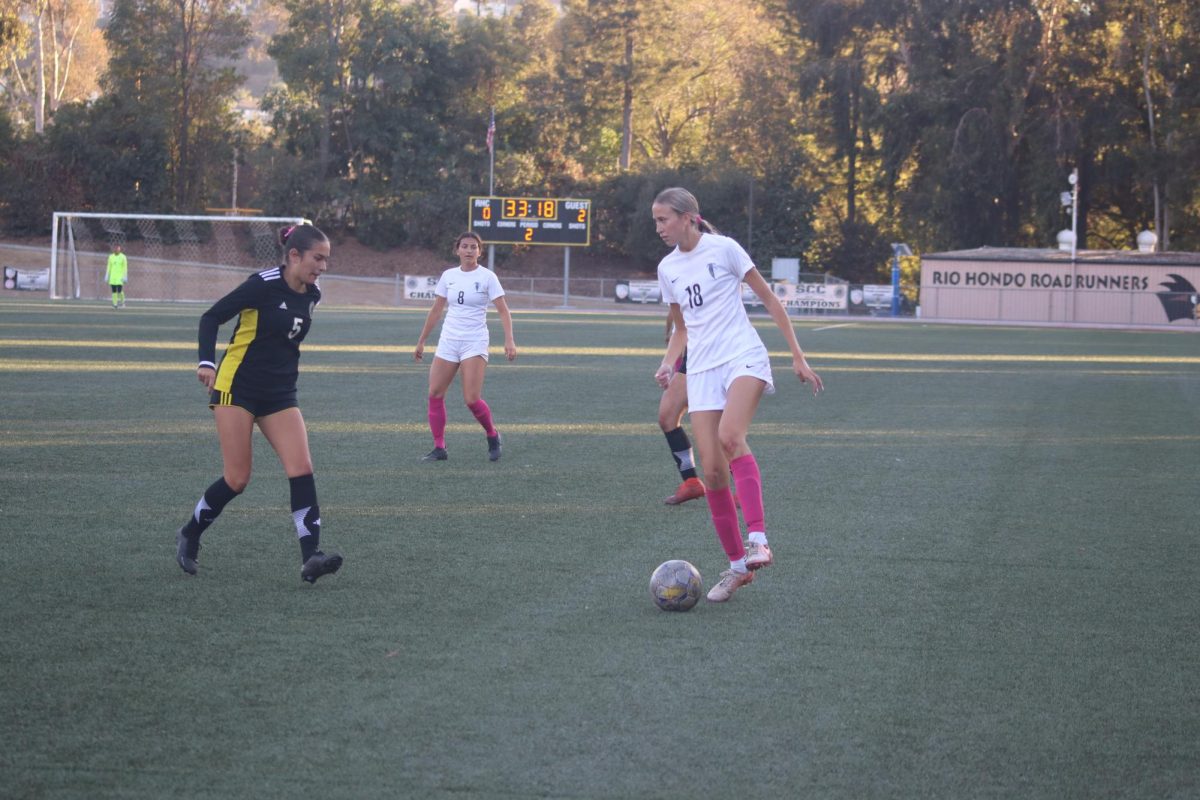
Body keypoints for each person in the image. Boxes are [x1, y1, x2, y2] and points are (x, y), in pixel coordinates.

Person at [652, 188, 823, 603]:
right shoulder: (667, 268)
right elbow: (681, 328)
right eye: (655, 221)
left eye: (664, 219)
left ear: (690, 217)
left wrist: (797, 357)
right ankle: (736, 568)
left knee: (731, 437)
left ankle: (759, 540)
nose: (659, 227)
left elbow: (768, 298)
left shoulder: (724, 249)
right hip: (704, 368)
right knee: (711, 472)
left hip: (742, 356)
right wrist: (668, 362)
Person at [175, 223, 343, 584]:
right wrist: (206, 362)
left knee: (302, 468)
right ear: (295, 255)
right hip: (237, 387)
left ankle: (310, 556)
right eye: (318, 258)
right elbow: (211, 318)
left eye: (327, 260)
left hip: (280, 392)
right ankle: (190, 532)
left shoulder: (313, 293)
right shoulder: (262, 284)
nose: (323, 267)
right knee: (237, 479)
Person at [414, 231, 517, 462]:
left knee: (471, 398)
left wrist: (509, 339)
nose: (469, 250)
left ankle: (492, 434)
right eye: (465, 246)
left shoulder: (488, 277)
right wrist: (422, 340)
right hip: (449, 340)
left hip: (474, 341)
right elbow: (437, 310)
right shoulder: (448, 275)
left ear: (480, 251)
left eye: (474, 247)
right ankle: (439, 448)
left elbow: (503, 310)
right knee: (435, 393)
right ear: (457, 250)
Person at [659, 314, 705, 505]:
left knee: (721, 427)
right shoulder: (670, 282)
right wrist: (668, 363)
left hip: (724, 352)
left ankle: (739, 489)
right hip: (694, 354)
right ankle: (691, 482)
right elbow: (678, 320)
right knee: (667, 416)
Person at [105, 243, 128, 309]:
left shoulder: (123, 257)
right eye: (115, 248)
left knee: (120, 291)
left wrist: (125, 276)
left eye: (118, 248)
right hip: (112, 277)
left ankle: (123, 303)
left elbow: (125, 267)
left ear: (120, 249)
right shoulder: (111, 257)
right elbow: (109, 266)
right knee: (114, 291)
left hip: (120, 277)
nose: (116, 250)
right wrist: (107, 275)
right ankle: (115, 304)